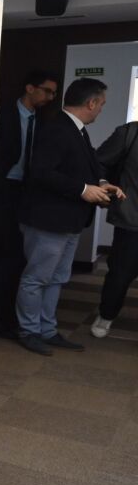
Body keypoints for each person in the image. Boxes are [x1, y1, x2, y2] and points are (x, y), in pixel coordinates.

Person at [16, 77, 124, 355]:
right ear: (91, 103)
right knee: (36, 279)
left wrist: (102, 184)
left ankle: (47, 330)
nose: (101, 109)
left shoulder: (76, 129)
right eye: (102, 104)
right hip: (48, 221)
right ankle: (29, 331)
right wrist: (83, 189)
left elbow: (82, 167)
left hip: (69, 221)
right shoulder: (56, 128)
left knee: (57, 278)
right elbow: (41, 173)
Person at [0, 70, 59, 338]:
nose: (50, 97)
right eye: (47, 91)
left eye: (54, 93)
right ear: (29, 88)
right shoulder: (1, 114)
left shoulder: (45, 121)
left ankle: (5, 313)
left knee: (20, 254)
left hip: (27, 192)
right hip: (1, 187)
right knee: (7, 251)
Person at [91, 119, 138, 338]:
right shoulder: (129, 133)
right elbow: (98, 162)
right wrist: (102, 183)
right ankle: (106, 314)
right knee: (120, 273)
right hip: (131, 218)